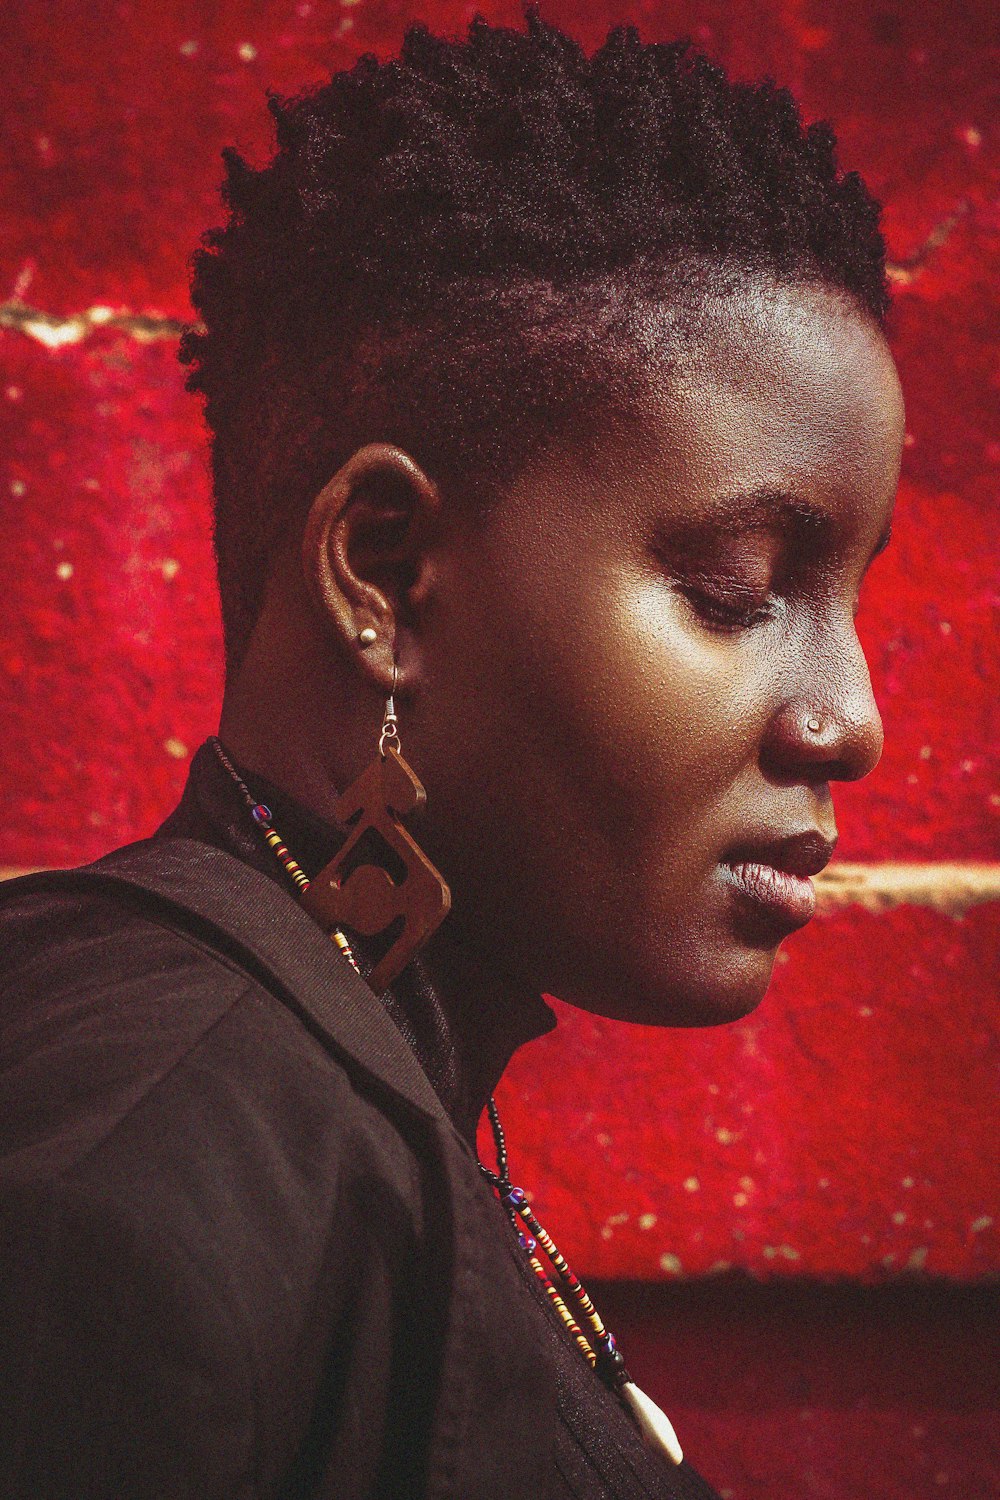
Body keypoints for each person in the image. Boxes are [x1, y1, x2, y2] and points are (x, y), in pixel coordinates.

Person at [0, 10, 903, 1498]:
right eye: (742, 590)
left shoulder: (355, 1072)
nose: (850, 720)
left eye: (849, 595)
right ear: (385, 568)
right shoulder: (131, 1175)